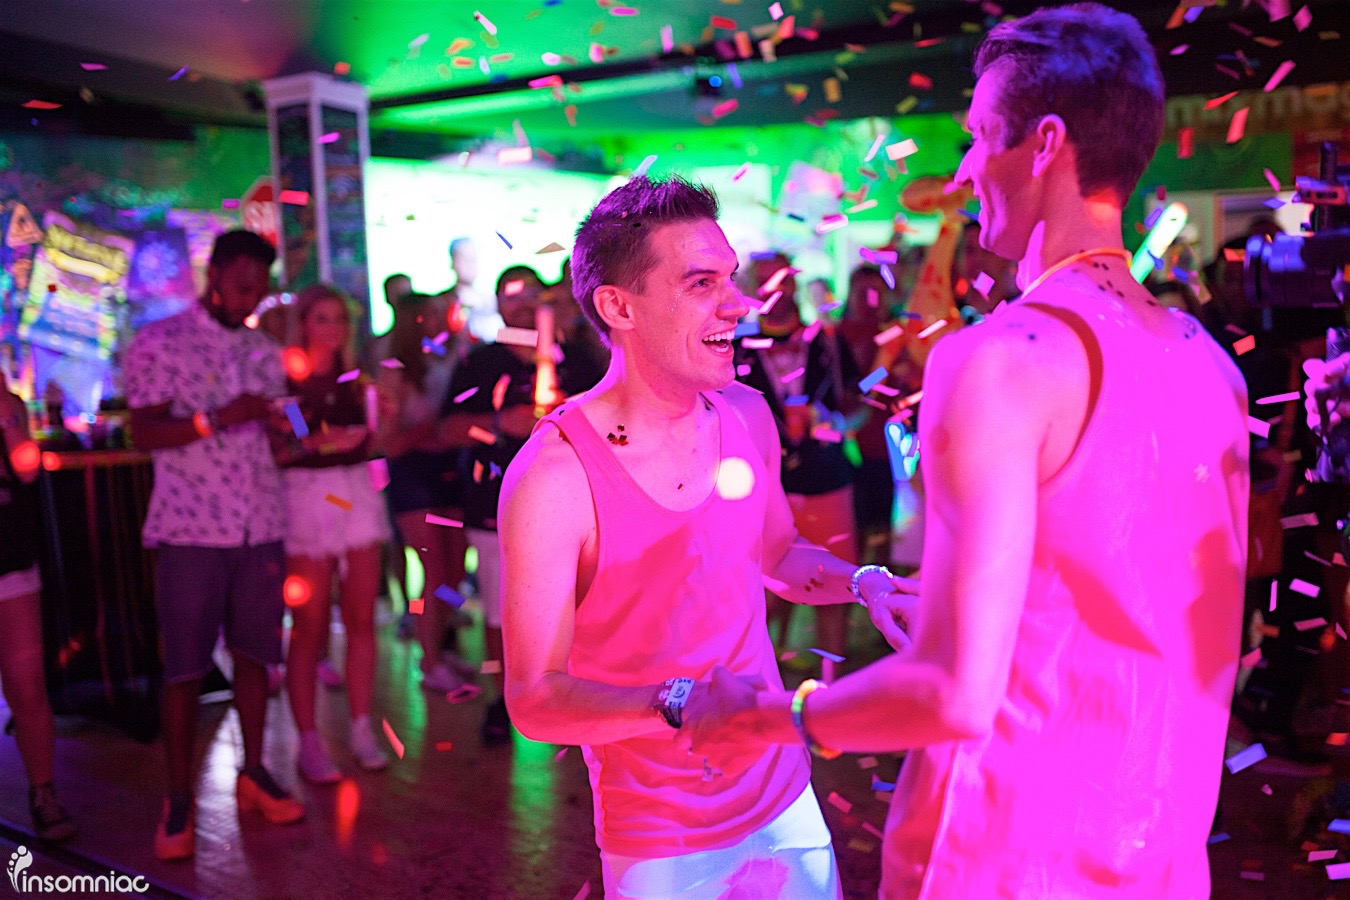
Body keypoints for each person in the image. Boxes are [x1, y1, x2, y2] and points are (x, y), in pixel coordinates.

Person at [679, 6, 1249, 896]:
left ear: (1044, 143)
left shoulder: (1000, 359)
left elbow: (951, 692)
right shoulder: (1211, 367)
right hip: (1160, 862)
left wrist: (762, 716)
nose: (967, 170)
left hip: (1003, 858)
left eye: (981, 136)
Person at [499, 175, 915, 898]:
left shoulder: (745, 414)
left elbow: (778, 555)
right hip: (661, 838)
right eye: (701, 284)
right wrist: (677, 703)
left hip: (785, 795)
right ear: (619, 307)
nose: (739, 304)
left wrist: (863, 582)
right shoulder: (555, 476)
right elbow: (534, 699)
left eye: (731, 278)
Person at [126, 230, 305, 862]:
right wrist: (218, 417)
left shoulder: (264, 350)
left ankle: (253, 770)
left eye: (260, 289)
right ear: (216, 275)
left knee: (257, 656)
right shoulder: (159, 341)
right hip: (190, 529)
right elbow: (143, 431)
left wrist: (298, 429)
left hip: (261, 524)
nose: (251, 299)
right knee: (185, 666)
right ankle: (178, 797)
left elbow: (288, 424)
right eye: (242, 286)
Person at [439, 266, 577, 744]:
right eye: (510, 296)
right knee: (502, 609)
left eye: (529, 294)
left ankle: (573, 697)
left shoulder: (573, 357)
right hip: (494, 502)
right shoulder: (480, 362)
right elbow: (448, 429)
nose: (520, 305)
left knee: (573, 605)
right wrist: (499, 424)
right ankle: (505, 700)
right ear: (497, 304)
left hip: (569, 505)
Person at [276, 284, 393, 782]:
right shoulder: (288, 379)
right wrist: (322, 441)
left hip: (356, 492)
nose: (332, 329)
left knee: (362, 618)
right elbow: (288, 445)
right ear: (303, 323)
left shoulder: (357, 380)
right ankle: (308, 740)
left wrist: (379, 427)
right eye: (321, 318)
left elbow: (376, 444)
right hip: (307, 496)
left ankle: (362, 727)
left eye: (339, 319)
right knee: (310, 626)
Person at [736, 251, 865, 677]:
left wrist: (838, 424)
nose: (772, 291)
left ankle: (833, 685)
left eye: (780, 280)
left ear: (793, 283)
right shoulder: (735, 349)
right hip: (765, 486)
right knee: (764, 589)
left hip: (828, 479)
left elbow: (861, 403)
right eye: (763, 282)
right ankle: (764, 679)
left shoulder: (826, 341)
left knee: (836, 582)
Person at [374, 293, 478, 698]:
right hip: (412, 473)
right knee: (433, 567)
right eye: (429, 314)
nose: (438, 320)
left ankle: (440, 644)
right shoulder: (394, 371)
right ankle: (429, 661)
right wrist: (435, 429)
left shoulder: (451, 359)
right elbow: (389, 442)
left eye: (440, 313)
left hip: (449, 469)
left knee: (454, 568)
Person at [0, 372, 76, 842]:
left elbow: (26, 469)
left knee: (27, 684)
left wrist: (7, 416)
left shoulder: (9, 405)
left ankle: (44, 793)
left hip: (8, 555)